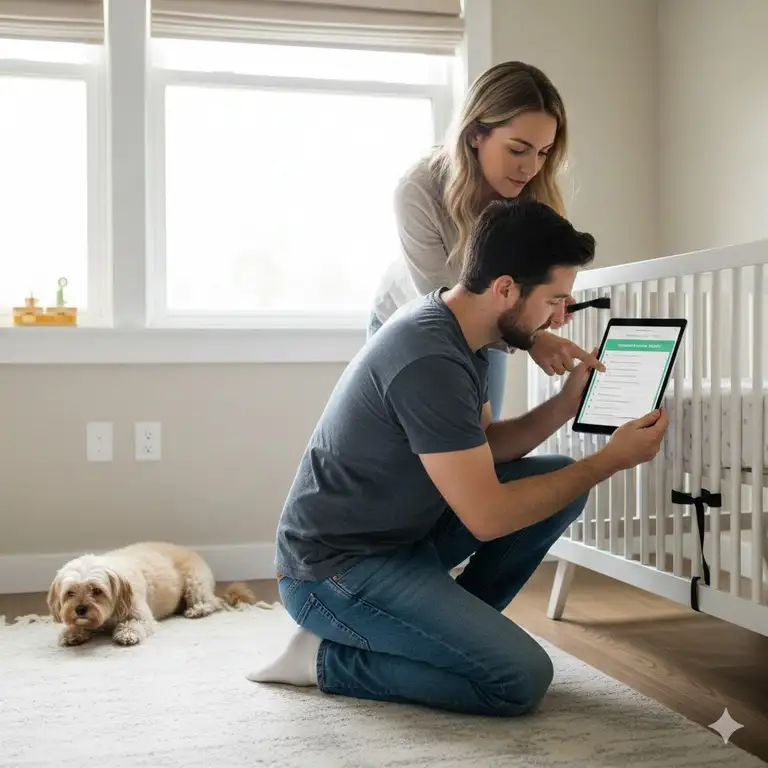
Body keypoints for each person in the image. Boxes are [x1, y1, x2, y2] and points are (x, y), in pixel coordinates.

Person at [249, 199, 669, 717]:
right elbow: (487, 517)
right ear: (506, 289)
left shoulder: (462, 332)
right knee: (519, 679)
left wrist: (566, 405)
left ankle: (444, 633)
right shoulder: (430, 358)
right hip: (334, 571)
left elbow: (482, 448)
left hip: (401, 541)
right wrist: (607, 462)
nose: (560, 317)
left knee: (562, 479)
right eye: (555, 300)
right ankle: (324, 659)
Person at [369, 60, 599, 421]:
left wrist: (546, 302)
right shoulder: (419, 190)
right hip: (415, 321)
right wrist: (534, 337)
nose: (531, 168)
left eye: (543, 153)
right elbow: (445, 308)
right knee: (427, 441)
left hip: (490, 326)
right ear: (475, 134)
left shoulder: (533, 194)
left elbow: (526, 282)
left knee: (480, 435)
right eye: (518, 150)